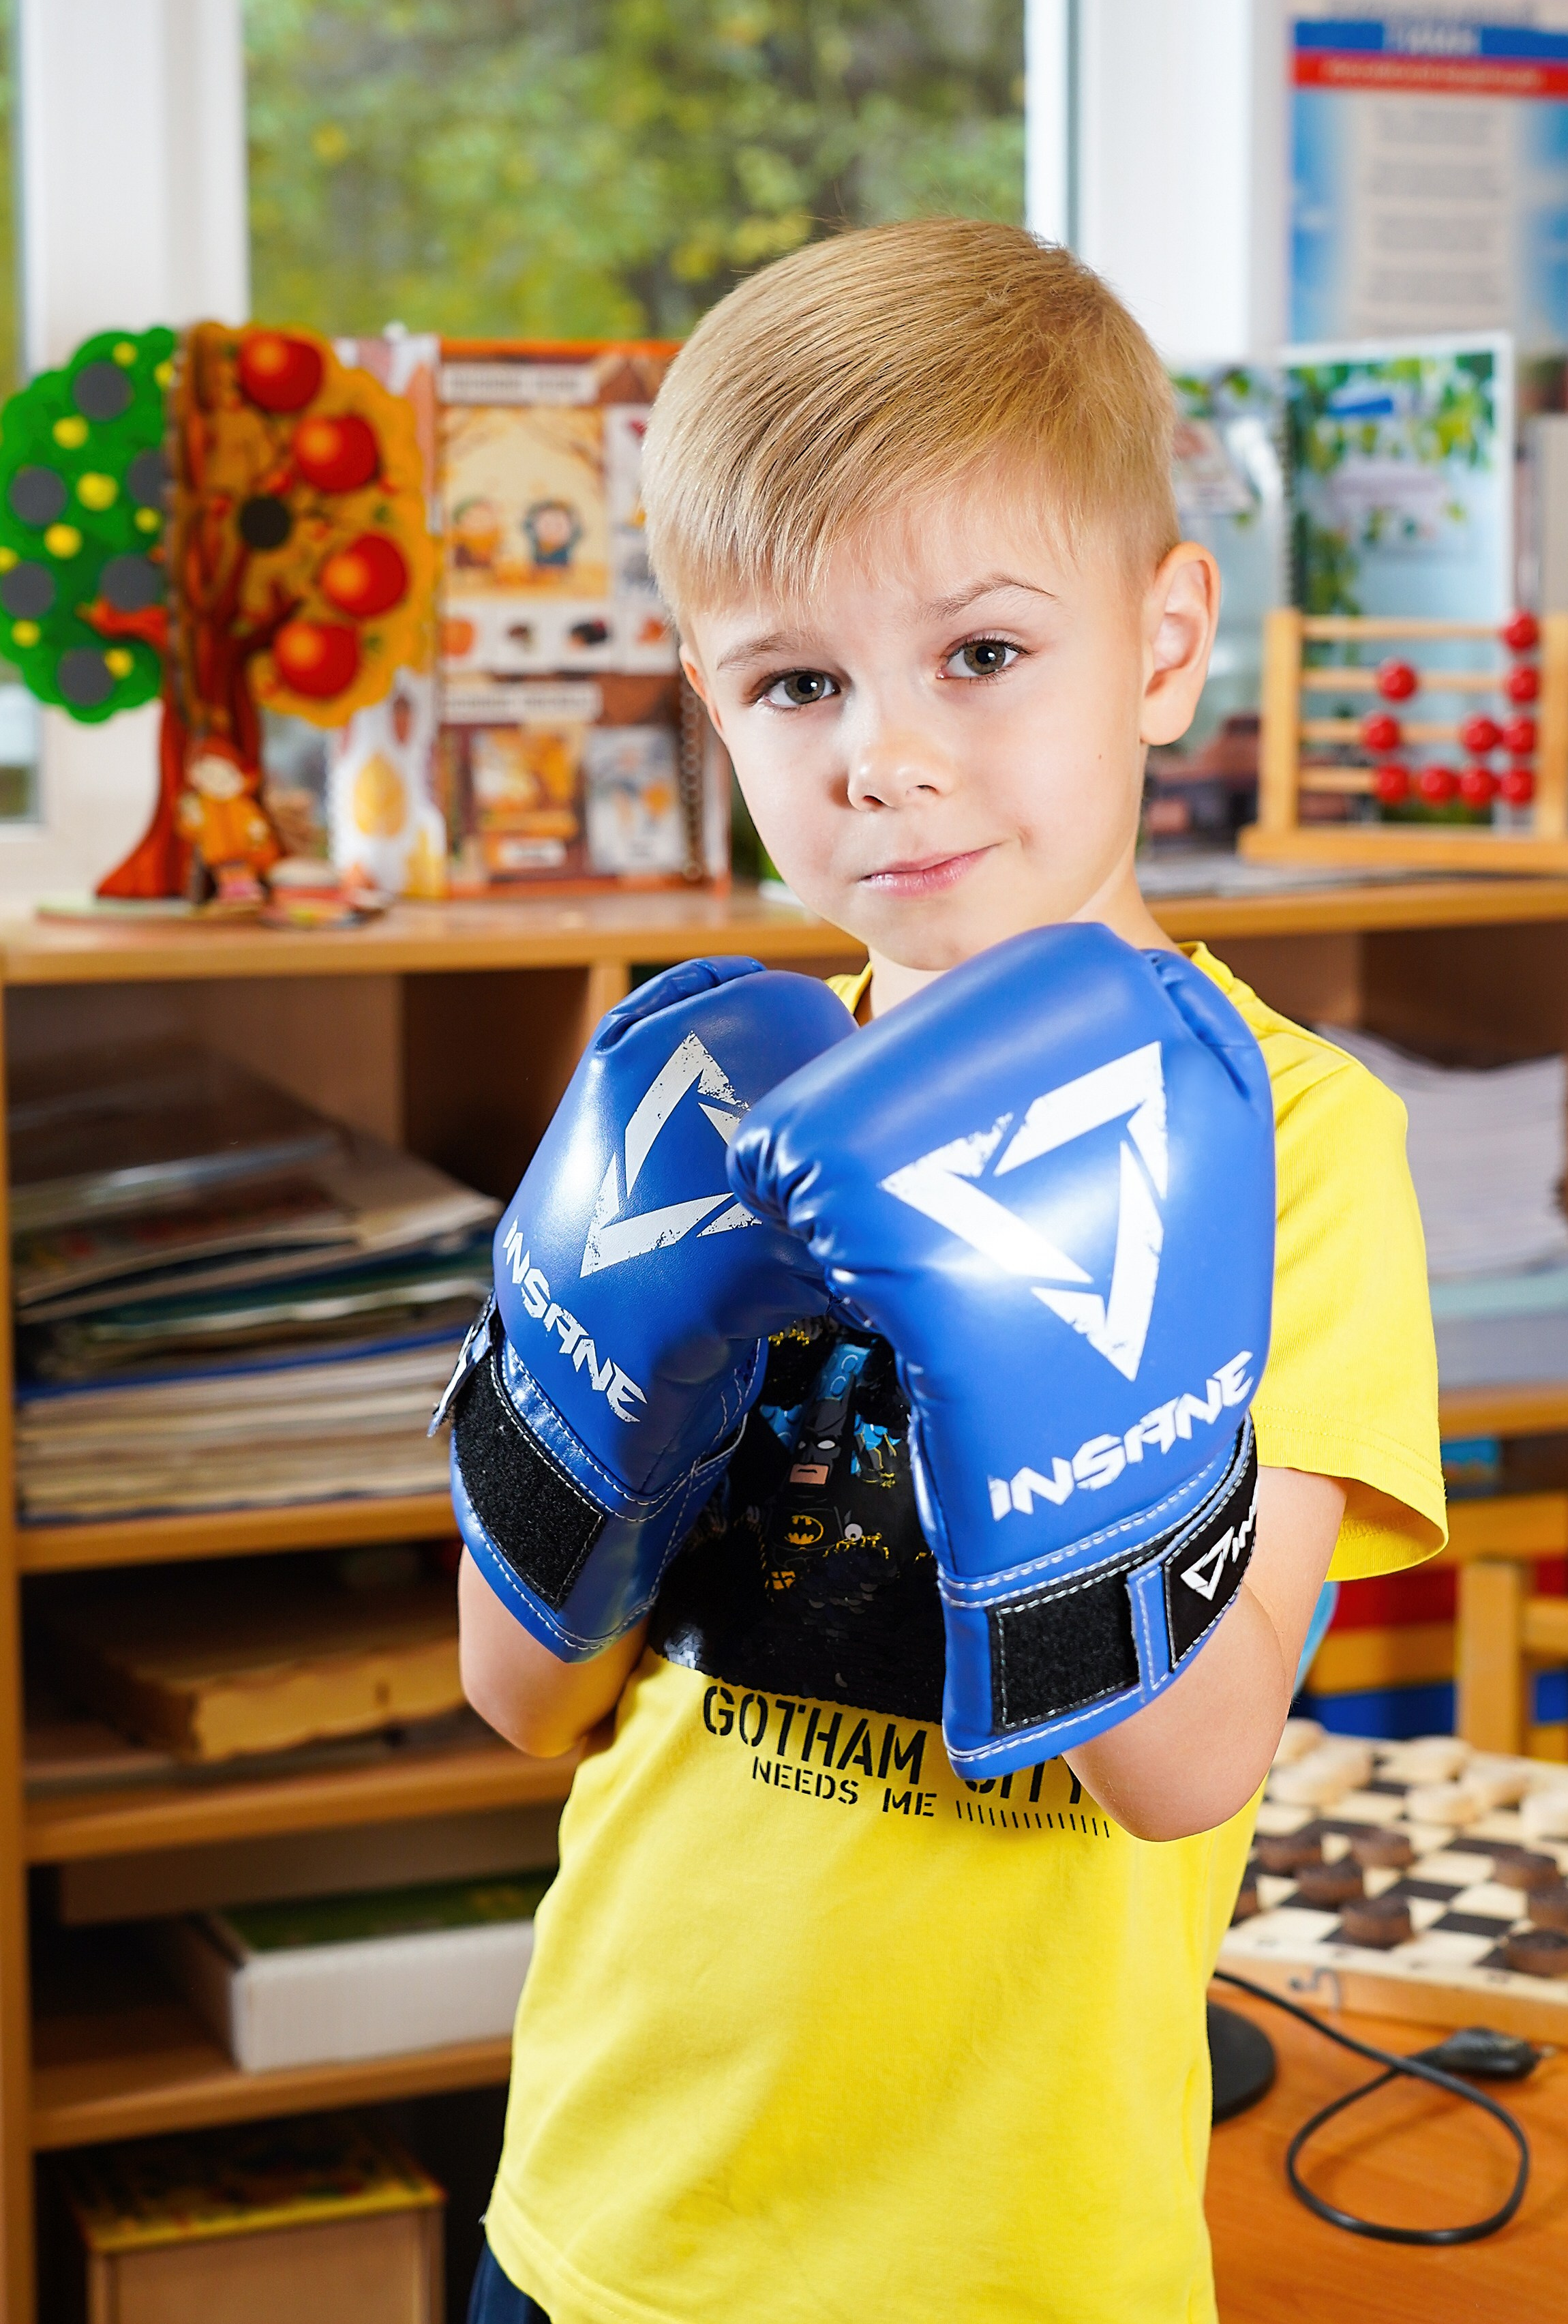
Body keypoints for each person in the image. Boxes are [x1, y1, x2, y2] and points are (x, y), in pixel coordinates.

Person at [453, 219, 1445, 2324]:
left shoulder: (1289, 1143)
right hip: (613, 2202)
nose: (880, 753)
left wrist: (1044, 1345)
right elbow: (518, 1695)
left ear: (1166, 640)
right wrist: (622, 1358)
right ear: (712, 702)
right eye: (797, 680)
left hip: (1010, 2258)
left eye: (981, 655)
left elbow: (1188, 1772)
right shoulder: (703, 1096)